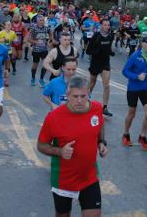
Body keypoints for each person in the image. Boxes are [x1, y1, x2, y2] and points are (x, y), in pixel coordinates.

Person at [37, 76, 108, 217]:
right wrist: (60, 151)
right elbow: (41, 145)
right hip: (64, 179)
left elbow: (100, 125)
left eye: (83, 96)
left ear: (89, 93)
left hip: (89, 177)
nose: (80, 100)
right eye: (75, 96)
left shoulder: (97, 108)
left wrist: (101, 142)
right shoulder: (54, 117)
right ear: (67, 95)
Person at [121, 37, 147, 151]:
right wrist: (137, 77)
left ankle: (142, 136)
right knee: (132, 113)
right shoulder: (135, 56)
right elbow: (125, 71)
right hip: (133, 88)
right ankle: (126, 134)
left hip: (145, 88)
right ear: (143, 45)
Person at [86, 19, 114, 117]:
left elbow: (109, 48)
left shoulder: (111, 36)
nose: (107, 26)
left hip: (105, 63)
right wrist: (97, 51)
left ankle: (104, 107)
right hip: (95, 63)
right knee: (92, 83)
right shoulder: (96, 36)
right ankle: (86, 101)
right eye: (105, 25)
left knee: (106, 85)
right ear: (101, 26)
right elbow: (88, 51)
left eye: (108, 25)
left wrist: (110, 52)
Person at [28, 17, 53, 87]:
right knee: (35, 65)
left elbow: (51, 33)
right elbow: (28, 38)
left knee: (45, 64)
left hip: (44, 50)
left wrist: (49, 41)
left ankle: (41, 79)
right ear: (37, 21)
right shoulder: (34, 28)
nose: (42, 22)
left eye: (43, 20)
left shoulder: (46, 28)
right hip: (36, 50)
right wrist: (35, 42)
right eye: (40, 20)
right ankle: (33, 79)